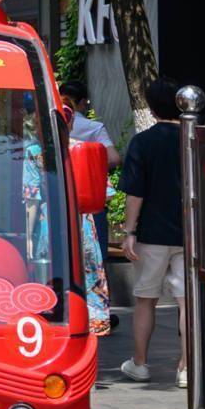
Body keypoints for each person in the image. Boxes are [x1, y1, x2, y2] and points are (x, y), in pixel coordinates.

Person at [121, 77, 190, 387]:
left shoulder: (142, 142)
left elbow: (135, 194)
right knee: (186, 303)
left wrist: (129, 231)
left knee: (146, 300)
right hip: (189, 235)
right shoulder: (194, 139)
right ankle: (186, 368)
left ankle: (140, 363)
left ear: (150, 106)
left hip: (151, 233)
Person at [62, 80, 121, 269]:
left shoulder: (43, 135)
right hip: (90, 198)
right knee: (96, 258)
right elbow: (114, 158)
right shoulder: (93, 129)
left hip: (59, 202)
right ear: (81, 103)